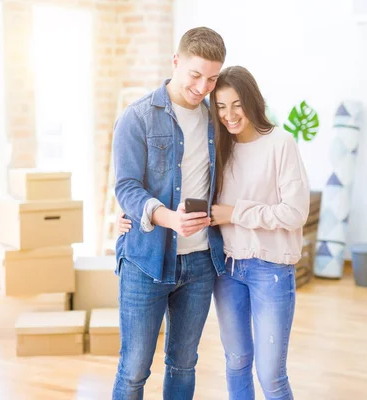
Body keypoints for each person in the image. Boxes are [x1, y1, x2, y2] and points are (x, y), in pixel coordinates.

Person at [118, 65, 310, 400]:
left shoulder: (280, 143)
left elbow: (294, 213)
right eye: (220, 106)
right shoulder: (220, 144)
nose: (229, 115)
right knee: (235, 364)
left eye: (237, 104)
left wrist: (234, 214)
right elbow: (177, 183)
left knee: (270, 376)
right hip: (227, 267)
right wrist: (134, 214)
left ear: (253, 101)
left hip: (269, 268)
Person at [111, 27, 228, 400]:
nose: (202, 87)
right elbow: (126, 187)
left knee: (184, 363)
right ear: (176, 62)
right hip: (146, 260)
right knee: (133, 371)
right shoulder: (138, 117)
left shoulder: (216, 121)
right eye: (195, 75)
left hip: (199, 264)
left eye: (212, 78)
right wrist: (167, 218)